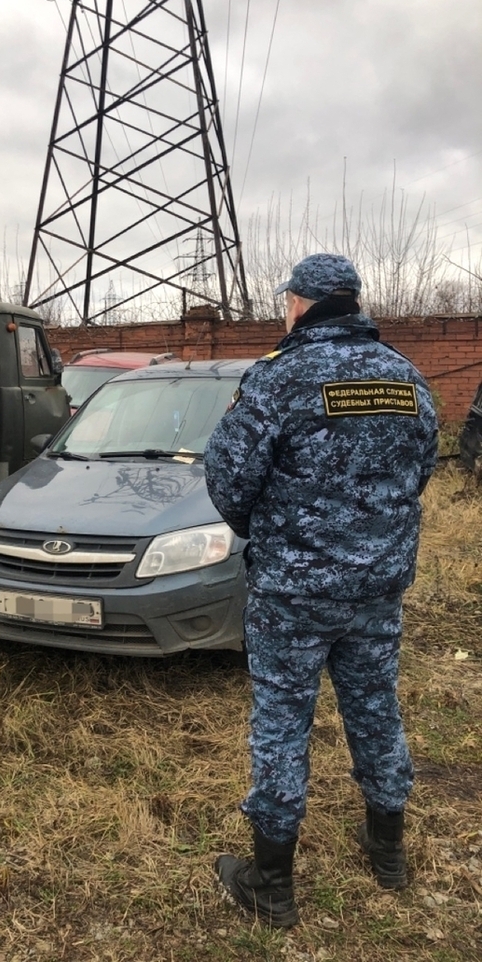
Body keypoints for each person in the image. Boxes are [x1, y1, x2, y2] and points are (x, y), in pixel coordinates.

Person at [203, 253, 438, 929]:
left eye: (287, 302)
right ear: (354, 303)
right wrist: (370, 536)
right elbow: (419, 471)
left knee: (281, 723)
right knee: (375, 708)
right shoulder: (407, 379)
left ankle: (270, 883)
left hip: (294, 594)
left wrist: (278, 537)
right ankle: (387, 852)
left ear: (300, 304)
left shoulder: (280, 377)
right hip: (376, 590)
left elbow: (228, 479)